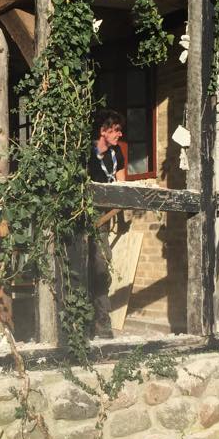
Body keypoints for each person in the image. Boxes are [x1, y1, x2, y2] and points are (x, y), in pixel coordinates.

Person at [86, 109, 126, 339]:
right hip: (82, 218)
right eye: (116, 130)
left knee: (102, 269)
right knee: (82, 269)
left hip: (102, 220)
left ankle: (102, 324)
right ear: (103, 131)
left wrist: (119, 216)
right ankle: (83, 322)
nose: (120, 134)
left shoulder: (116, 153)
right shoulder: (87, 153)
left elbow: (122, 186)